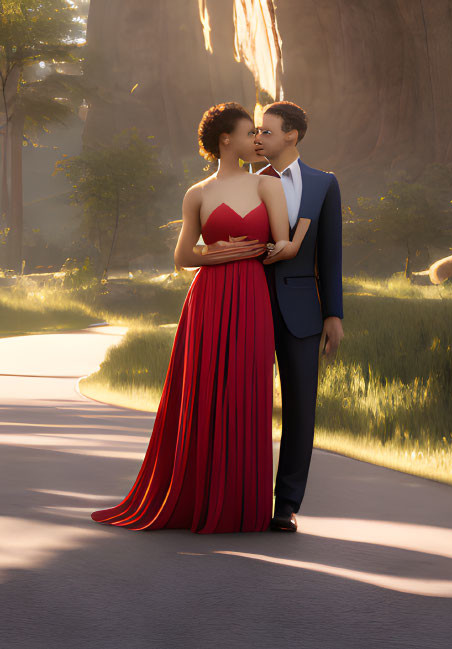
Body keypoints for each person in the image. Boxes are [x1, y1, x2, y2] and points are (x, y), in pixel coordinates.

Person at [91, 102, 304, 533]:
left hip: (251, 298)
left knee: (246, 392)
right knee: (203, 392)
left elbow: (279, 246)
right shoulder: (198, 193)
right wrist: (216, 252)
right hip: (207, 299)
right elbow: (182, 257)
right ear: (227, 140)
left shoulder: (268, 187)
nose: (257, 140)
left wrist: (294, 239)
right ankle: (196, 498)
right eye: (250, 134)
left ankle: (241, 504)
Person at [253, 100, 344, 533]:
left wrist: (334, 314)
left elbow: (330, 255)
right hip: (248, 304)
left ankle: (285, 506)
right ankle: (245, 499)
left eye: (266, 132)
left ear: (291, 135)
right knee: (246, 405)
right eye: (255, 132)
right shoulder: (247, 183)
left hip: (304, 312)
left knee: (301, 411)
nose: (257, 138)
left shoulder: (323, 184)